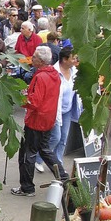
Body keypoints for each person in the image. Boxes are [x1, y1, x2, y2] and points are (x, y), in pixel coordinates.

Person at [11, 46, 68, 196]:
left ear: (41, 61)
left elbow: (34, 102)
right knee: (45, 150)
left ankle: (27, 187)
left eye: (35, 57)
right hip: (49, 118)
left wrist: (21, 98)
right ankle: (63, 176)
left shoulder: (40, 76)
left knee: (27, 154)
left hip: (36, 120)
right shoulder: (54, 74)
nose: (32, 58)